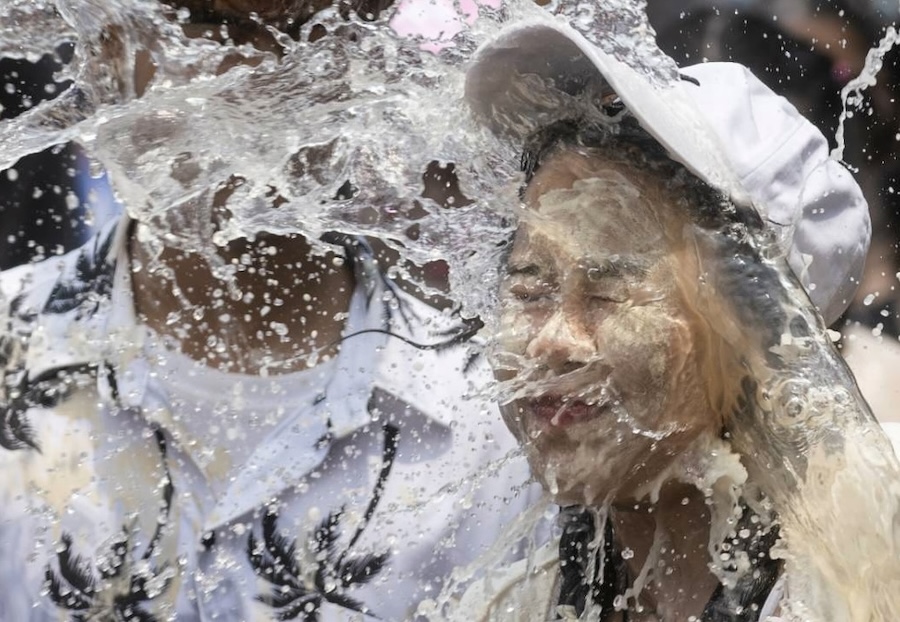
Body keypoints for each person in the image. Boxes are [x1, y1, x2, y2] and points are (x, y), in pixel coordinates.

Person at [0, 1, 538, 620]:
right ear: (106, 50)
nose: (264, 71)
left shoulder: (498, 416)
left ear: (368, 65)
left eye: (306, 31)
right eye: (211, 25)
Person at [451, 11, 900, 621]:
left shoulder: (869, 579)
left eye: (609, 293)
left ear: (757, 334)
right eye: (530, 288)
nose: (549, 342)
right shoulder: (502, 605)